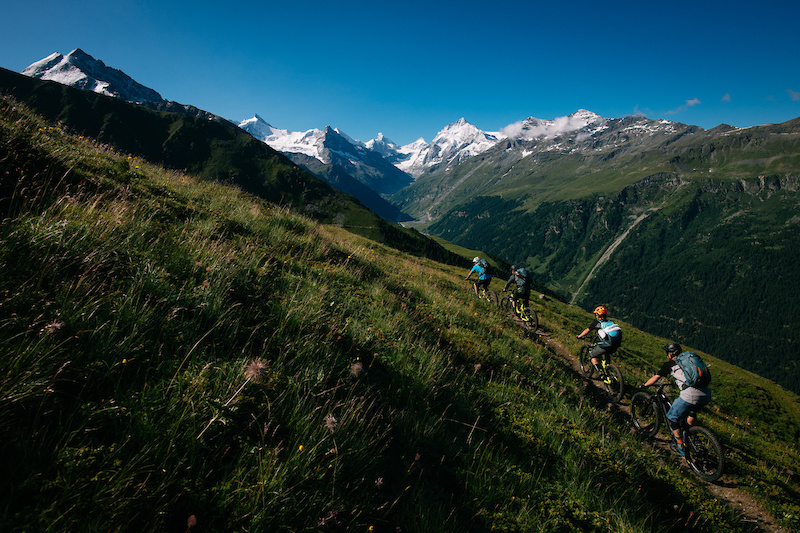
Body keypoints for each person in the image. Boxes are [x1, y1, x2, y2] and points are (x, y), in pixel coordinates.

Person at [641, 343, 712, 456]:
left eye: (666, 353)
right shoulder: (688, 360)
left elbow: (655, 378)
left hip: (690, 395)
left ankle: (679, 444)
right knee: (691, 411)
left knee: (672, 418)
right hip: (706, 393)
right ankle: (688, 434)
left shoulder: (669, 364)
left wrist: (645, 385)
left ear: (670, 354)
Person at [576, 305, 622, 370]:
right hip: (615, 344)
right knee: (607, 352)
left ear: (598, 315)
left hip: (607, 344)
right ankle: (608, 369)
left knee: (592, 354)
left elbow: (587, 330)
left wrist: (580, 336)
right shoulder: (610, 322)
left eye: (596, 314)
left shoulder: (596, 323)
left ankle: (599, 371)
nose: (596, 316)